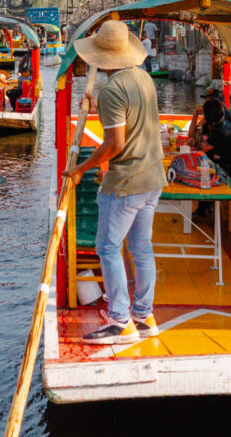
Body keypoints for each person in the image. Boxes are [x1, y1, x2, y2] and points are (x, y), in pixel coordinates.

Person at [62, 20, 165, 345]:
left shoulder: (113, 89)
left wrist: (81, 168)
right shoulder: (143, 79)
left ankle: (120, 321)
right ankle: (144, 316)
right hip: (152, 178)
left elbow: (115, 144)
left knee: (107, 247)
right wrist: (96, 105)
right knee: (140, 247)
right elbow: (129, 117)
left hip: (127, 182)